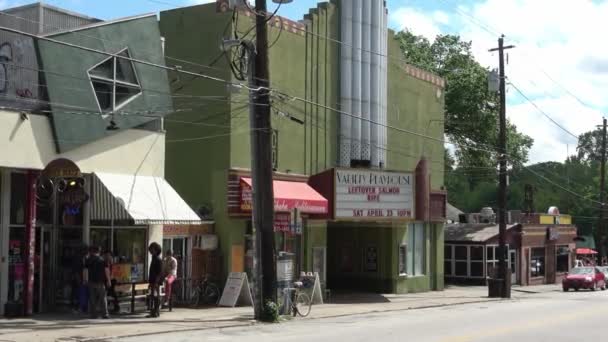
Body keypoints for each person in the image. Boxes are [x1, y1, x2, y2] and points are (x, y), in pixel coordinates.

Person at [85, 246, 110, 319]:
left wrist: (85, 279)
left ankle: (93, 314)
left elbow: (85, 270)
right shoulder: (103, 260)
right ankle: (105, 314)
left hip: (91, 281)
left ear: (92, 251)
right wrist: (108, 280)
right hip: (100, 282)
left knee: (92, 298)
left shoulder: (88, 260)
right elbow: (107, 271)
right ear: (99, 252)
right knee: (103, 298)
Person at [147, 242, 163, 318]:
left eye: (152, 249)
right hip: (152, 281)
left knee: (156, 297)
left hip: (155, 282)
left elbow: (159, 272)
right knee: (152, 296)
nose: (150, 251)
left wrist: (156, 282)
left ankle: (156, 312)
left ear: (156, 250)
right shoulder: (153, 258)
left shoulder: (158, 259)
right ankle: (153, 312)